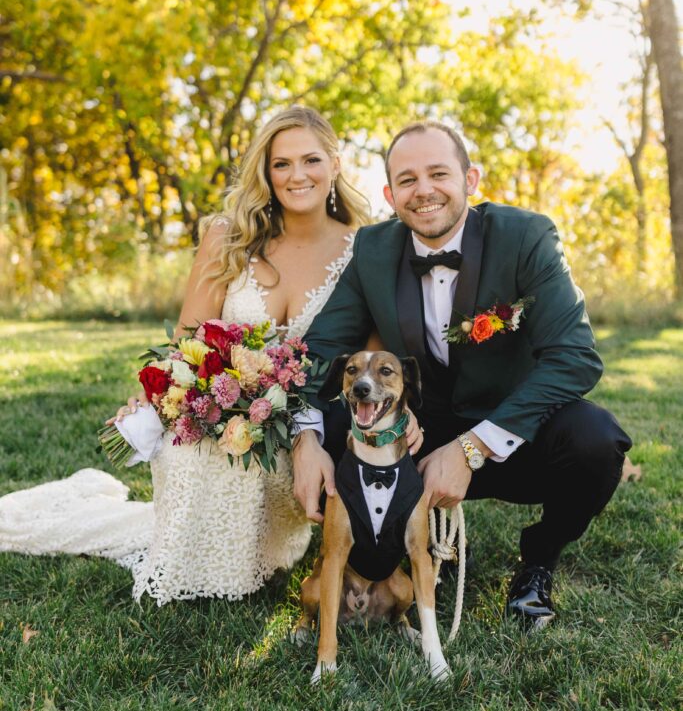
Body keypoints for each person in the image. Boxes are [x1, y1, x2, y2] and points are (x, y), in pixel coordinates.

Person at [0, 106, 421, 604]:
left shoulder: (364, 250)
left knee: (240, 457)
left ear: (334, 163)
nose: (296, 175)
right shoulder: (229, 236)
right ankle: (186, 563)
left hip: (299, 429)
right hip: (212, 408)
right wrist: (152, 397)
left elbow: (373, 361)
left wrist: (397, 415)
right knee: (192, 447)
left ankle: (244, 557)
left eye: (310, 160)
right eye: (280, 164)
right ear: (265, 172)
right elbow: (187, 339)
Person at [292, 119, 632, 628]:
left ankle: (538, 560)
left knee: (596, 441)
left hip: (510, 434)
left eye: (438, 174)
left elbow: (575, 356)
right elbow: (318, 350)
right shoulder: (373, 250)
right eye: (407, 180)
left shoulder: (526, 236)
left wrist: (472, 447)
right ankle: (390, 557)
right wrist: (304, 440)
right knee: (331, 427)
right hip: (410, 440)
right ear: (390, 194)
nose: (423, 190)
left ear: (470, 180)